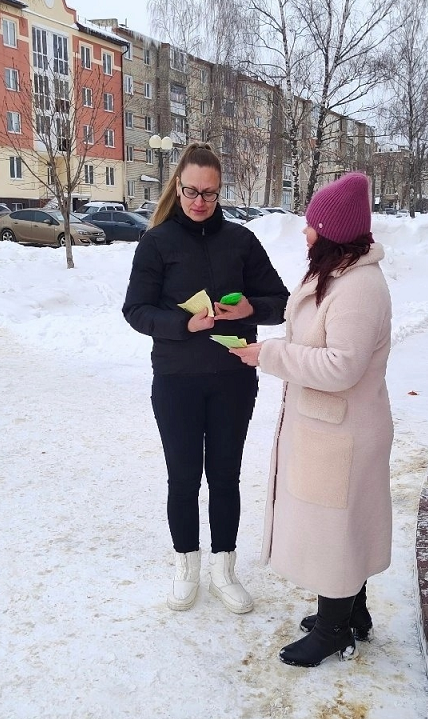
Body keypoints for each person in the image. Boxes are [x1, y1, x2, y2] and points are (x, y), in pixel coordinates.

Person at [232, 172, 393, 666]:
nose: (305, 233)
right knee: (342, 526)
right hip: (328, 426)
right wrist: (250, 310)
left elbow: (341, 365)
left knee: (336, 531)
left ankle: (332, 631)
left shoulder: (359, 287)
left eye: (311, 226)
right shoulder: (337, 273)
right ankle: (354, 615)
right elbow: (307, 322)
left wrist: (271, 356)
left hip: (343, 430)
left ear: (332, 232)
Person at [122, 143, 288, 614]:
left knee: (225, 477)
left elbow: (281, 300)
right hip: (176, 381)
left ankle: (224, 569)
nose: (199, 202)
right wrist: (182, 324)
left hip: (233, 381)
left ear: (220, 193)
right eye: (192, 191)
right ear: (178, 186)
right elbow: (136, 310)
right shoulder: (157, 242)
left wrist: (251, 307)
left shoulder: (241, 242)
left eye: (210, 194)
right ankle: (186, 566)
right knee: (183, 477)